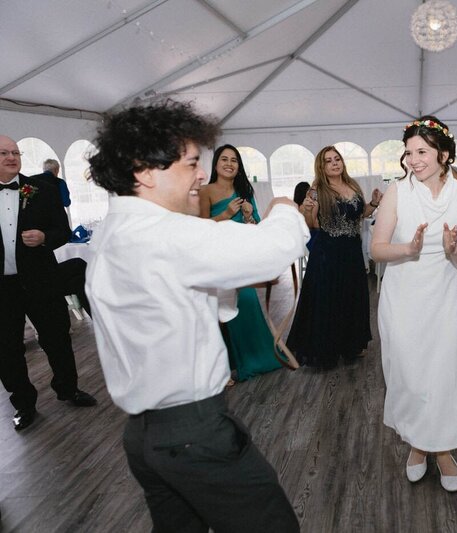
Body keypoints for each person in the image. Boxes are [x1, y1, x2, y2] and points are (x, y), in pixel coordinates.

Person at [85, 100, 303, 532]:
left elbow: (204, 301)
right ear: (145, 171)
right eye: (189, 164)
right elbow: (274, 251)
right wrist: (286, 210)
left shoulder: (111, 232)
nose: (200, 175)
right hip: (194, 434)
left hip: (144, 437)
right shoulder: (164, 234)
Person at [371, 115, 457, 492]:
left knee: (443, 377)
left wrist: (454, 251)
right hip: (402, 297)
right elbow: (376, 250)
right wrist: (409, 248)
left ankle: (442, 448)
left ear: (444, 154)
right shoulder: (397, 193)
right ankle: (419, 444)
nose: (412, 160)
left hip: (443, 298)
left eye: (421, 151)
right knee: (410, 374)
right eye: (408, 153)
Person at [0, 135, 97, 431]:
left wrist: (45, 238)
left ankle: (68, 389)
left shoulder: (40, 188)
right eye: (3, 153)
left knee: (57, 338)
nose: (11, 157)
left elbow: (62, 230)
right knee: (7, 349)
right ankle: (24, 404)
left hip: (41, 280)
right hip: (3, 289)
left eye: (15, 152)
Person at [287, 146, 380, 369]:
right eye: (328, 161)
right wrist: (307, 211)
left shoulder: (353, 185)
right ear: (322, 166)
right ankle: (325, 351)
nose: (334, 163)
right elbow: (311, 225)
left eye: (337, 159)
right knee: (328, 300)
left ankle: (350, 345)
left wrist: (374, 203)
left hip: (351, 252)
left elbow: (361, 214)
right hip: (328, 252)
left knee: (351, 297)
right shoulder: (317, 190)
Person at [200, 144, 281, 381]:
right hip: (216, 258)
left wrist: (247, 215)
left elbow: (255, 227)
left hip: (239, 257)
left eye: (234, 160)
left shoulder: (244, 190)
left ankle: (253, 357)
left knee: (246, 303)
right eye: (224, 159)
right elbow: (199, 228)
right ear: (215, 164)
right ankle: (224, 368)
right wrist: (224, 216)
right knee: (221, 312)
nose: (229, 164)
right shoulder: (206, 192)